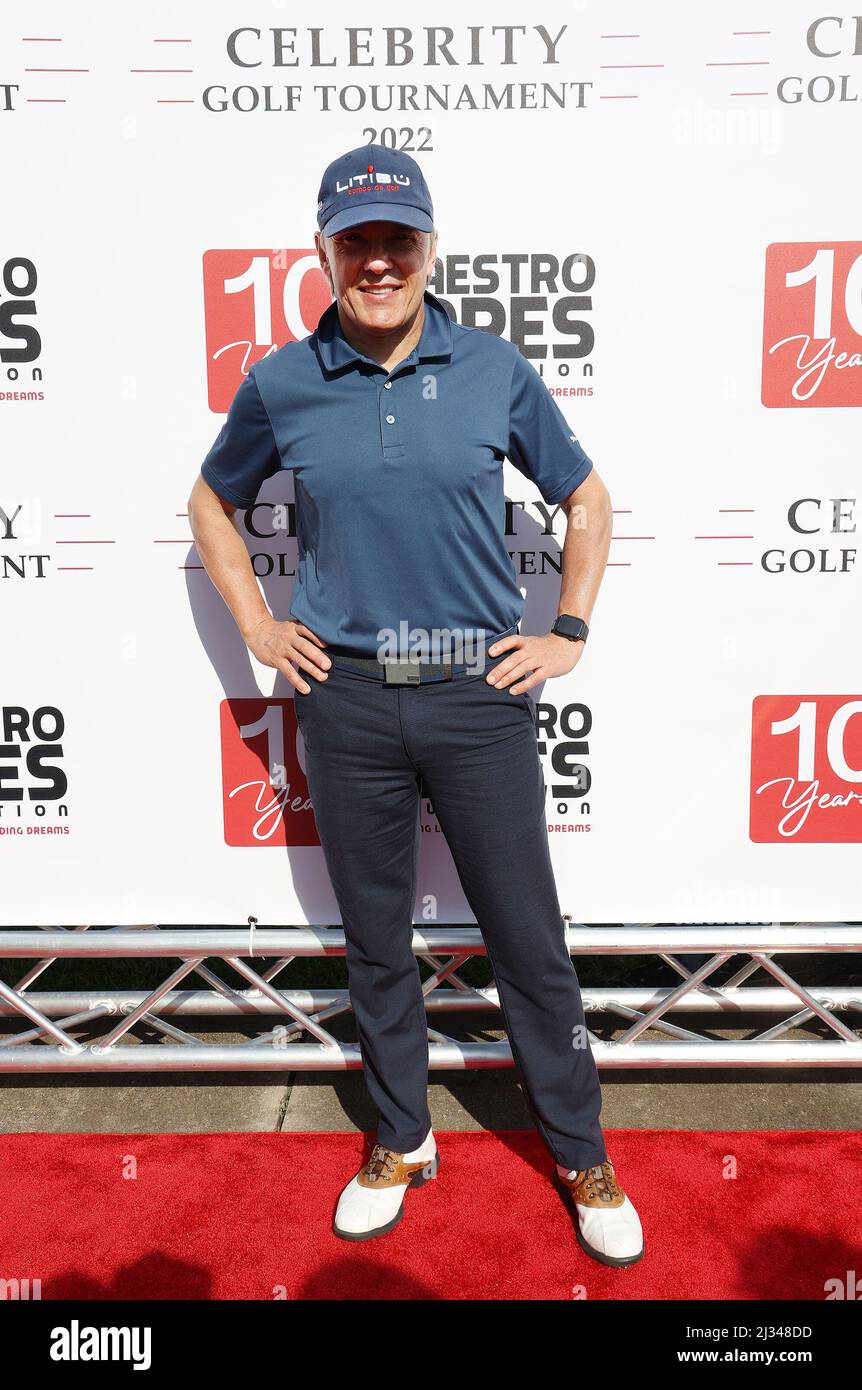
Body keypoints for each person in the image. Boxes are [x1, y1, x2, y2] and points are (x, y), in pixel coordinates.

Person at [188, 142, 644, 1268]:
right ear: (325, 253)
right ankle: (400, 1140)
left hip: (475, 695)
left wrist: (569, 632)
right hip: (343, 700)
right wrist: (256, 626)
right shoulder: (283, 379)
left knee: (527, 941)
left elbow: (584, 498)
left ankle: (580, 1151)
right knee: (377, 944)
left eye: (398, 240)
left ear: (428, 247)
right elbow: (210, 501)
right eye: (357, 243)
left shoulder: (491, 367)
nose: (379, 262)